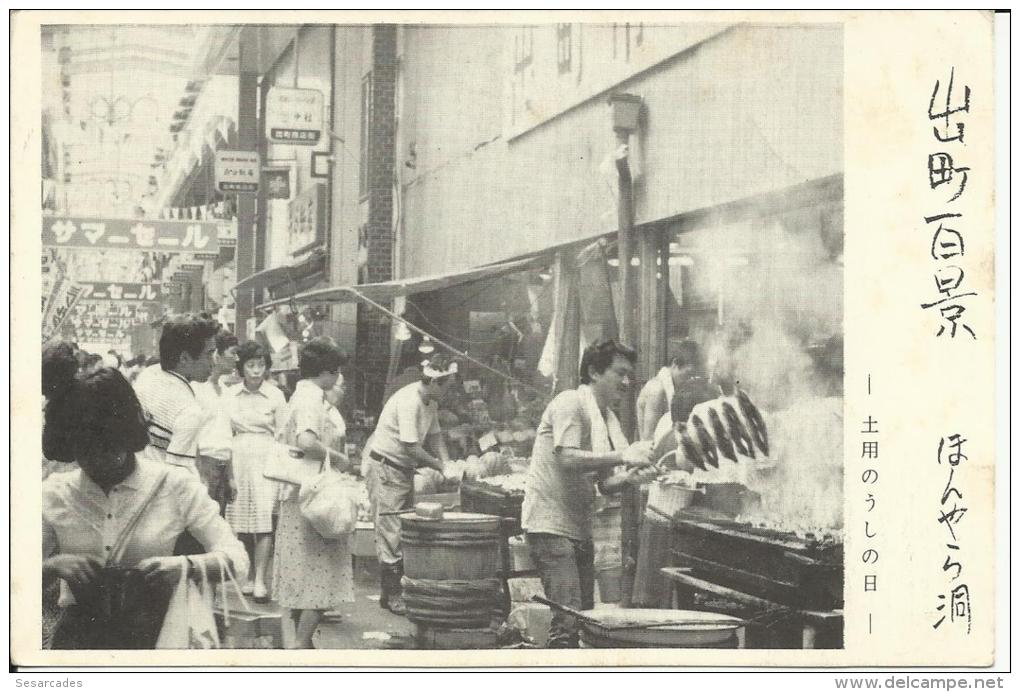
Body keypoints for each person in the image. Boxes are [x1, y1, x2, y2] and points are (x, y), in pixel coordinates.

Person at [41, 344, 248, 649]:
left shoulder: (174, 485)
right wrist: (52, 566)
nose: (95, 460)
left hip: (161, 638)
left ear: (125, 435)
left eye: (107, 447)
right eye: (82, 451)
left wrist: (184, 567)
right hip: (80, 643)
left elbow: (238, 560)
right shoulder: (55, 493)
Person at [521, 339, 656, 648]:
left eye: (629, 376)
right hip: (550, 525)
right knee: (567, 620)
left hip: (579, 529)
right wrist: (625, 456)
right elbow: (567, 458)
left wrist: (632, 476)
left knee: (580, 617)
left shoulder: (606, 420)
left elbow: (605, 484)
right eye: (619, 373)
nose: (626, 382)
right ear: (594, 372)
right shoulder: (571, 402)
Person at [273, 337, 354, 648]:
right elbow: (306, 441)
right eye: (335, 372)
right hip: (313, 497)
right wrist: (339, 458)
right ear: (326, 372)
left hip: (301, 495)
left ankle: (301, 642)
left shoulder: (302, 395)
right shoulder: (310, 398)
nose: (337, 379)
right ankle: (299, 646)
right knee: (321, 573)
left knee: (301, 572)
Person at [365, 353, 456, 615]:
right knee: (390, 530)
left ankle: (391, 592)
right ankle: (393, 594)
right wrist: (440, 467)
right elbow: (411, 446)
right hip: (386, 467)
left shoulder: (431, 401)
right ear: (435, 383)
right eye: (447, 386)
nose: (449, 392)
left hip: (402, 469)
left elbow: (436, 435)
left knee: (399, 528)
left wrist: (447, 461)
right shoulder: (409, 401)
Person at [223, 340, 287, 603]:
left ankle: (261, 578)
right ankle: (247, 576)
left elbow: (283, 436)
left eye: (261, 365)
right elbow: (223, 433)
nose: (256, 371)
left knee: (262, 522)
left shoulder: (276, 396)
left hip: (266, 459)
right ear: (242, 367)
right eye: (251, 365)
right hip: (237, 457)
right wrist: (228, 475)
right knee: (241, 522)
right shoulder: (229, 394)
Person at [133, 313, 219, 472]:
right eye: (209, 354)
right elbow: (177, 479)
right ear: (184, 358)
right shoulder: (189, 411)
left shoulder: (148, 375)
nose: (214, 362)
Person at [193, 329, 240, 515]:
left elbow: (227, 436)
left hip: (222, 466)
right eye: (233, 353)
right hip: (204, 464)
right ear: (216, 355)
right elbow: (192, 435)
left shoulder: (226, 392)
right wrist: (199, 473)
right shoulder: (197, 389)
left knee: (217, 525)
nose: (236, 359)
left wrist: (231, 476)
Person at [635, 340, 705, 442]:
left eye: (693, 376)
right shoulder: (657, 389)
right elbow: (648, 438)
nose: (690, 380)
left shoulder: (676, 388)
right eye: (688, 374)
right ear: (675, 364)